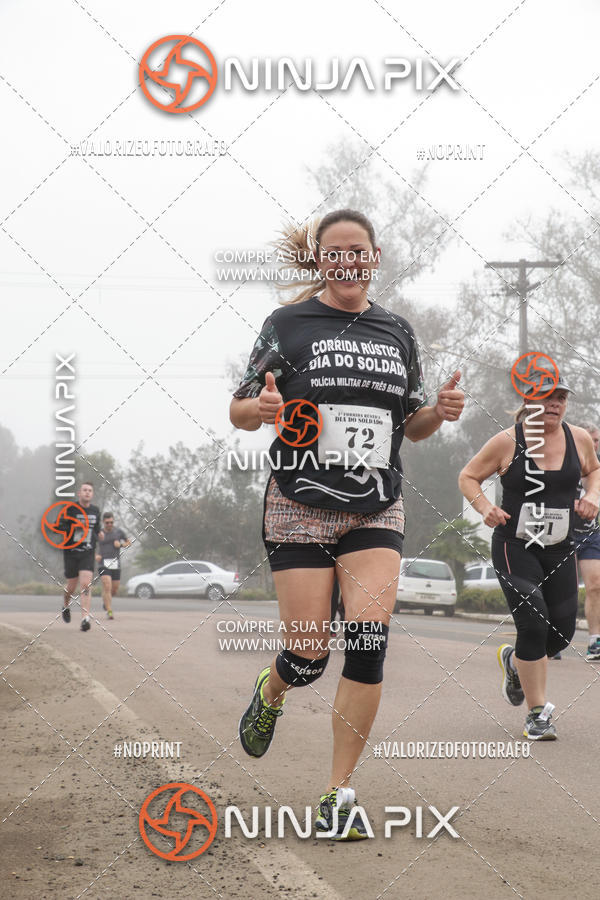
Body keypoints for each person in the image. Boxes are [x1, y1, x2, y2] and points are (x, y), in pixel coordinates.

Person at [230, 209, 464, 839]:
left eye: (358, 250)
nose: (348, 261)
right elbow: (239, 410)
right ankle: (273, 689)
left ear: (375, 256)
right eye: (335, 252)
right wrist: (263, 407)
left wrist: (439, 412)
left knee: (367, 641)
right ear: (321, 260)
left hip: (375, 506)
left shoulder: (397, 332)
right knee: (309, 656)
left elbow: (411, 423)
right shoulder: (287, 324)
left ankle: (338, 793)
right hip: (300, 502)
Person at [459, 377, 600, 740]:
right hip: (515, 546)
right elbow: (469, 476)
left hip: (560, 546)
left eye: (561, 398)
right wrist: (485, 507)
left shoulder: (578, 439)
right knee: (534, 625)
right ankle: (537, 714)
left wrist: (593, 495)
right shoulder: (507, 441)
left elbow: (594, 471)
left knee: (562, 634)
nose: (556, 404)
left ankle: (514, 662)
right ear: (529, 401)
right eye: (548, 397)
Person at [573, 422, 600, 660]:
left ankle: (595, 642)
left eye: (597, 440)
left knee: (596, 585)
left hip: (591, 534)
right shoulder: (563, 462)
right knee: (564, 589)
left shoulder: (597, 469)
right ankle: (552, 640)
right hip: (563, 534)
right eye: (590, 440)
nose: (594, 444)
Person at [61, 482, 102, 632]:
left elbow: (96, 529)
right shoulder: (70, 509)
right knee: (71, 587)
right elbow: (60, 526)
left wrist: (100, 534)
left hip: (87, 552)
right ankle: (66, 606)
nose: (87, 492)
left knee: (85, 584)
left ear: (92, 494)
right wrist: (74, 527)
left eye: (90, 490)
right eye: (85, 490)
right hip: (71, 552)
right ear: (79, 493)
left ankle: (85, 618)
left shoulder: (95, 510)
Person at [95, 512, 130, 619]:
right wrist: (96, 555)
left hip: (115, 564)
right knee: (107, 586)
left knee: (114, 590)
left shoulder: (118, 532)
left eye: (111, 522)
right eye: (107, 523)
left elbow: (128, 542)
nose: (109, 524)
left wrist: (121, 544)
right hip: (103, 564)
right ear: (103, 522)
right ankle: (109, 611)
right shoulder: (99, 533)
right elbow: (92, 545)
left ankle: (106, 602)